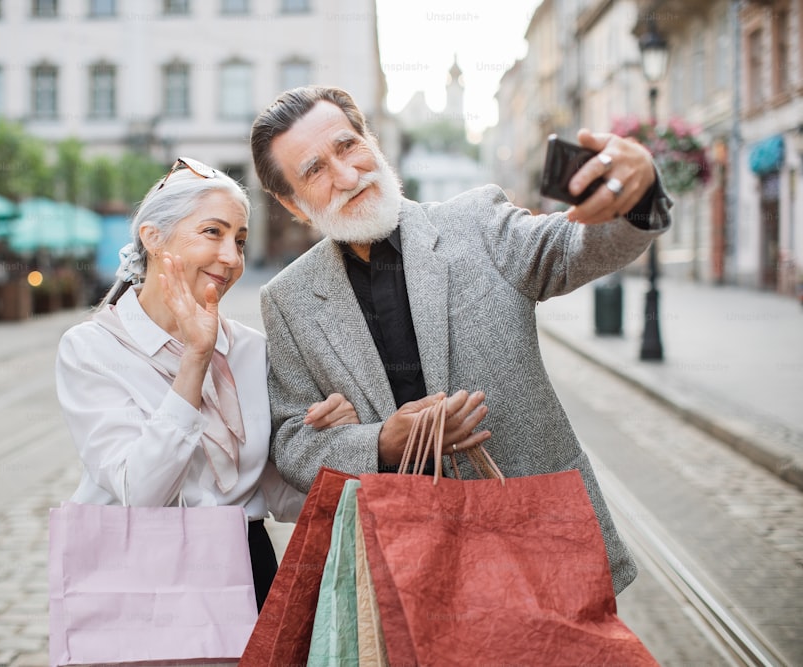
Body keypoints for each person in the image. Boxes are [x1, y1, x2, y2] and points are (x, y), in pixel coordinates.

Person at [250, 86, 672, 594]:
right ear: (291, 203)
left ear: (372, 142)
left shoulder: (477, 220)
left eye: (347, 147)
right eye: (314, 170)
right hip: (401, 565)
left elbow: (573, 248)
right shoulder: (287, 299)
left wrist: (639, 192)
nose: (345, 176)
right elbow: (293, 440)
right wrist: (381, 442)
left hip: (540, 541)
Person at [55, 157, 359, 611]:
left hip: (244, 571)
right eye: (212, 233)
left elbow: (277, 493)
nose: (232, 258)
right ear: (153, 238)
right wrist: (196, 358)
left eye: (239, 240)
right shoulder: (91, 349)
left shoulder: (251, 350)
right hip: (140, 578)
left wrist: (335, 443)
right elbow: (141, 493)